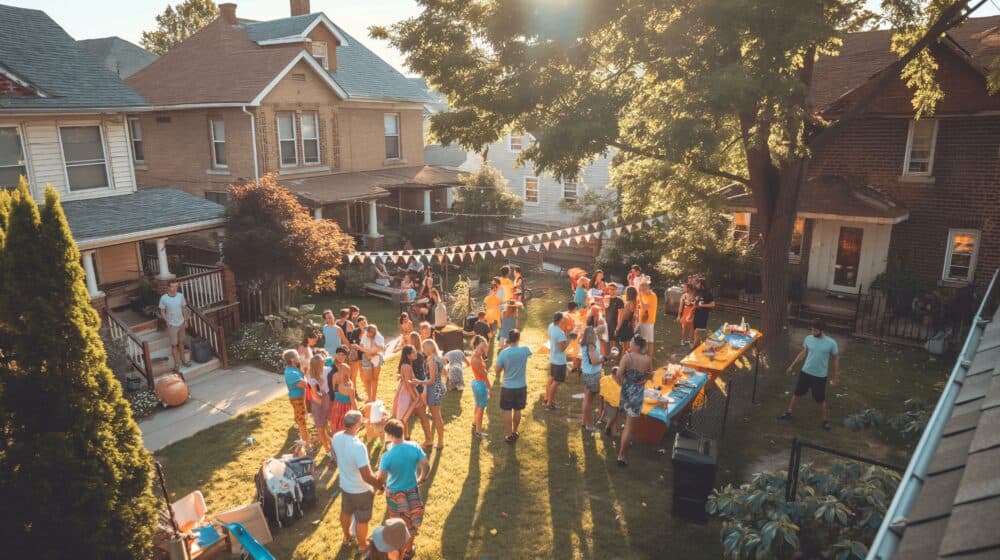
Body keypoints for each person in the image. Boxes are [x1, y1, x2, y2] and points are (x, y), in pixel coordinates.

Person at [377, 419, 430, 559]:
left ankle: (397, 555)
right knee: (412, 523)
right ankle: (408, 551)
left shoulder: (387, 456)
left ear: (389, 435)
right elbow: (426, 465)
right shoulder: (414, 446)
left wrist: (380, 488)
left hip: (394, 494)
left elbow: (381, 478)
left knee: (397, 526)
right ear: (402, 432)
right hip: (412, 490)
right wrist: (422, 479)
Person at [332, 410, 382, 554]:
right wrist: (380, 485)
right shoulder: (359, 447)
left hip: (345, 486)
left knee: (346, 511)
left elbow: (334, 457)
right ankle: (362, 545)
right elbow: (366, 475)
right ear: (357, 425)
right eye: (362, 421)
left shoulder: (336, 437)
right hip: (361, 489)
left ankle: (346, 537)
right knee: (362, 518)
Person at [778, 319, 841, 431]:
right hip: (805, 372)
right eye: (811, 329)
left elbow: (836, 359)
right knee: (797, 393)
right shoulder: (808, 339)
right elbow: (803, 352)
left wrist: (836, 377)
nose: (812, 332)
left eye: (815, 330)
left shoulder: (831, 343)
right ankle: (789, 413)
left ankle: (825, 421)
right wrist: (792, 365)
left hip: (820, 376)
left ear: (821, 330)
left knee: (820, 399)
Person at [616, 336, 653, 466]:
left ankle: (622, 445)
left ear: (636, 346)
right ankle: (622, 455)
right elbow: (650, 375)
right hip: (638, 393)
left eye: (631, 343)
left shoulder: (627, 357)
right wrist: (642, 379)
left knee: (625, 419)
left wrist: (622, 383)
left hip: (626, 390)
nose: (629, 345)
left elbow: (619, 374)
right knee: (629, 426)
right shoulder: (647, 360)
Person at [494, 329, 531, 444]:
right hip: (521, 385)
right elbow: (529, 353)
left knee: (507, 410)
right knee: (517, 409)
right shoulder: (525, 350)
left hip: (508, 386)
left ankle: (509, 435)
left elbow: (497, 371)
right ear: (519, 338)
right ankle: (515, 431)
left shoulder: (504, 353)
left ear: (509, 338)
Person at [421, 339, 447, 450]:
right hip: (440, 387)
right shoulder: (439, 357)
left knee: (436, 417)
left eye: (424, 348)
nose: (423, 350)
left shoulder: (431, 360)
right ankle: (440, 440)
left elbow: (431, 380)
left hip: (433, 389)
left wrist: (419, 382)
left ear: (428, 348)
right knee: (437, 416)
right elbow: (445, 373)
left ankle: (440, 442)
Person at [545, 312, 574, 410]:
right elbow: (562, 348)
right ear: (561, 320)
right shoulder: (560, 332)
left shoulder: (550, 326)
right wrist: (570, 339)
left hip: (553, 358)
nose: (565, 319)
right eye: (563, 318)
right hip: (559, 361)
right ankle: (549, 403)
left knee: (552, 378)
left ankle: (546, 398)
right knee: (556, 382)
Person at [159, 281, 191, 368]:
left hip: (181, 323)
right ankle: (177, 364)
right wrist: (166, 321)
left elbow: (184, 308)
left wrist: (186, 320)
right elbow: (162, 311)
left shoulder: (180, 296)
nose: (175, 288)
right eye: (173, 286)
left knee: (181, 343)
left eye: (176, 286)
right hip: (172, 325)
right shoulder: (164, 298)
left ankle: (184, 360)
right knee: (174, 344)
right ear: (168, 287)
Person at [306, 355, 333, 460]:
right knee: (322, 427)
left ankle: (329, 447)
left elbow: (316, 396)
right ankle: (328, 450)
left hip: (323, 400)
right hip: (321, 401)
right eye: (323, 362)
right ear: (320, 364)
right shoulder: (314, 375)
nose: (324, 363)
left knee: (324, 427)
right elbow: (315, 395)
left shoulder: (325, 371)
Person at [392, 345, 421, 439]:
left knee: (404, 417)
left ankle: (406, 436)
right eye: (413, 352)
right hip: (406, 393)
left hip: (404, 391)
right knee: (403, 417)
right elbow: (408, 385)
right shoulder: (407, 366)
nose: (416, 353)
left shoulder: (406, 364)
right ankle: (400, 438)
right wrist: (414, 398)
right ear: (408, 355)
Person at [283, 349, 310, 445]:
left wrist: (304, 373)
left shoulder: (294, 368)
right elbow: (304, 385)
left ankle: (303, 438)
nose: (299, 357)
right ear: (292, 359)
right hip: (297, 400)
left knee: (300, 418)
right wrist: (305, 375)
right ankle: (306, 443)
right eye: (297, 356)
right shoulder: (291, 373)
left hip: (300, 397)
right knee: (302, 421)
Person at [579, 326, 603, 432]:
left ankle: (584, 422)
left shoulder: (584, 343)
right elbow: (594, 361)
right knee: (589, 400)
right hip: (592, 375)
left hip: (587, 373)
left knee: (586, 398)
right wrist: (605, 358)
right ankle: (589, 425)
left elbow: (601, 328)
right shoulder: (591, 346)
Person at [328, 347, 357, 434]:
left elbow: (349, 381)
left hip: (341, 402)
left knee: (340, 425)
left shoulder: (343, 370)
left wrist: (350, 385)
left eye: (343, 355)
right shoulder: (331, 369)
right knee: (341, 426)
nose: (340, 357)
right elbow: (330, 391)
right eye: (339, 354)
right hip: (340, 404)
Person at [469, 335, 491, 439]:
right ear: (476, 346)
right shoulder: (475, 359)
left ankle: (474, 422)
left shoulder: (477, 355)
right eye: (482, 348)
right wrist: (490, 389)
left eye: (485, 348)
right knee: (481, 409)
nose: (483, 350)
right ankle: (478, 432)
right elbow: (485, 374)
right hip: (480, 385)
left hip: (477, 383)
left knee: (478, 405)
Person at [357, 324, 385, 402]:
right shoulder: (364, 336)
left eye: (370, 334)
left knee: (375, 378)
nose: (368, 335)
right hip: (366, 358)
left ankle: (374, 398)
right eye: (368, 333)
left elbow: (382, 349)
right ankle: (369, 398)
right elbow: (361, 347)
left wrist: (375, 350)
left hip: (376, 357)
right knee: (367, 379)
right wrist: (368, 354)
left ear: (374, 333)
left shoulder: (379, 337)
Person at [692, 277, 716, 347]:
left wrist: (703, 305)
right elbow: (696, 302)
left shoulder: (708, 293)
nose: (696, 285)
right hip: (696, 313)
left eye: (697, 283)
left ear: (701, 284)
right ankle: (698, 345)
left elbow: (712, 304)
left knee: (697, 331)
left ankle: (693, 348)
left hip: (703, 315)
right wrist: (694, 302)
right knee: (696, 331)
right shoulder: (697, 292)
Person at [637, 279, 658, 359]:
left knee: (650, 340)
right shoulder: (643, 295)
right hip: (642, 320)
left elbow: (645, 306)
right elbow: (640, 306)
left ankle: (650, 356)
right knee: (643, 339)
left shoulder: (652, 296)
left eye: (642, 289)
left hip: (649, 321)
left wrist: (640, 297)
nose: (641, 291)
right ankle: (645, 355)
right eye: (640, 290)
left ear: (647, 288)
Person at [615, 286, 638, 353]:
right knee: (628, 347)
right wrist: (633, 327)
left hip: (624, 325)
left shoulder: (628, 304)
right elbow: (634, 317)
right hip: (629, 325)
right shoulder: (635, 303)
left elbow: (622, 317)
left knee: (624, 348)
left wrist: (617, 328)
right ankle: (629, 361)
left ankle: (623, 361)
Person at [605, 283, 624, 349]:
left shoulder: (619, 301)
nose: (610, 291)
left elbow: (620, 315)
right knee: (610, 343)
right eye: (609, 289)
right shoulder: (606, 299)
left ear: (616, 290)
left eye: (612, 289)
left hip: (615, 324)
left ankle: (616, 358)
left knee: (616, 344)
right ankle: (611, 357)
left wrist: (618, 327)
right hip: (607, 324)